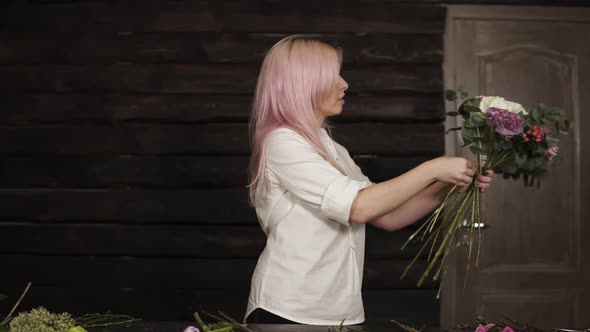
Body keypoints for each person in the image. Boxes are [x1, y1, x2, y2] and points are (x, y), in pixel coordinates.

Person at [243, 35, 494, 326]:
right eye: (332, 75)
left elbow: (389, 215)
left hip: (342, 312)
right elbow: (358, 207)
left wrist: (451, 182)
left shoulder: (333, 149)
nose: (344, 83)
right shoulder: (282, 142)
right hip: (290, 312)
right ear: (303, 84)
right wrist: (433, 168)